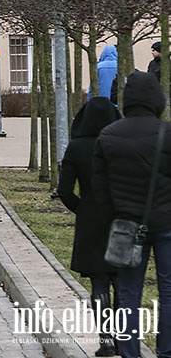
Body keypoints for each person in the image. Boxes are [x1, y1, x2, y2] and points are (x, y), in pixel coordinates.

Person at [93, 71, 171, 358]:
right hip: (166, 223)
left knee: (127, 295)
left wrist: (114, 217)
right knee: (169, 292)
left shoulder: (108, 135)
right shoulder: (167, 133)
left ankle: (129, 353)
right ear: (157, 100)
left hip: (126, 224)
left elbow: (100, 189)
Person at [57, 97, 121, 357]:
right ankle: (125, 339)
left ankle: (105, 339)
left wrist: (81, 208)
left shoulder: (76, 147)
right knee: (122, 282)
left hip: (90, 219)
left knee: (99, 282)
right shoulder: (118, 145)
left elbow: (64, 191)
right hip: (119, 217)